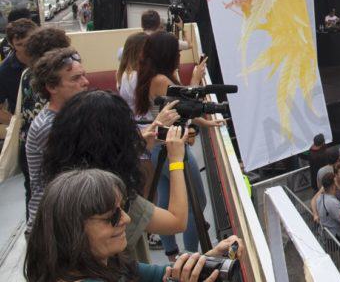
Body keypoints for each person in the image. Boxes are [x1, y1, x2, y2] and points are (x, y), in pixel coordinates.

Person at [42, 90, 187, 262]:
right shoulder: (110, 196)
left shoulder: (62, 187)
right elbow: (176, 221)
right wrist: (176, 160)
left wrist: (138, 148)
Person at [24, 168, 243, 282]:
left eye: (122, 210)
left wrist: (211, 259)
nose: (126, 220)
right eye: (111, 217)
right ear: (72, 229)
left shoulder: (107, 264)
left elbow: (165, 275)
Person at [132, 32, 216, 258]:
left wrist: (206, 123)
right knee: (196, 202)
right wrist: (196, 79)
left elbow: (177, 111)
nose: (180, 55)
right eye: (177, 52)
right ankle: (190, 255)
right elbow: (186, 105)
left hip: (159, 147)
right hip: (171, 149)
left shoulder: (152, 77)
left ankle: (171, 253)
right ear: (168, 55)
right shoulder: (161, 80)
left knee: (165, 200)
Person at [25, 47, 89, 231]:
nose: (85, 82)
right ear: (51, 87)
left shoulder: (71, 116)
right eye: (76, 78)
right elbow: (78, 172)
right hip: (53, 227)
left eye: (83, 75)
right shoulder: (51, 126)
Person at [0, 18, 36, 126]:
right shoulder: (4, 71)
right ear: (11, 45)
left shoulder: (50, 58)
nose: (26, 48)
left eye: (29, 42)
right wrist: (20, 125)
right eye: (20, 44)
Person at [116, 32, 148, 117]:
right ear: (140, 52)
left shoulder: (123, 73)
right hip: (144, 123)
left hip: (133, 119)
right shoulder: (135, 76)